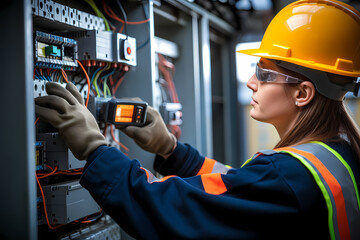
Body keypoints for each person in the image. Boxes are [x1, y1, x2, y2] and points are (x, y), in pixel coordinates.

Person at [35, 0, 360, 239]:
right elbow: (235, 186)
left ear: (303, 93)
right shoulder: (336, 154)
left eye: (264, 73)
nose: (251, 83)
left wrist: (94, 148)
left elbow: (171, 208)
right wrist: (170, 149)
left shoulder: (288, 176)